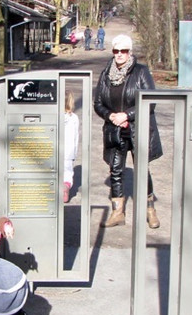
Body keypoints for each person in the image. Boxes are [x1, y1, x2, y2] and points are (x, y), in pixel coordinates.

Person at [93, 34, 162, 229]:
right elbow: (98, 103)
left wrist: (127, 115)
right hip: (114, 130)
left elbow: (151, 101)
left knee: (142, 169)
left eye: (123, 51)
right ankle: (117, 212)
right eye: (116, 51)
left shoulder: (141, 72)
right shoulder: (106, 74)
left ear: (129, 52)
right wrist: (111, 116)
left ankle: (150, 210)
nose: (119, 54)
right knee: (115, 170)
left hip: (138, 128)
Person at [63, 90, 80, 203]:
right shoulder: (73, 118)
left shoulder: (54, 117)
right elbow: (75, 136)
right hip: (69, 150)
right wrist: (74, 152)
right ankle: (65, 187)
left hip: (54, 150)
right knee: (67, 172)